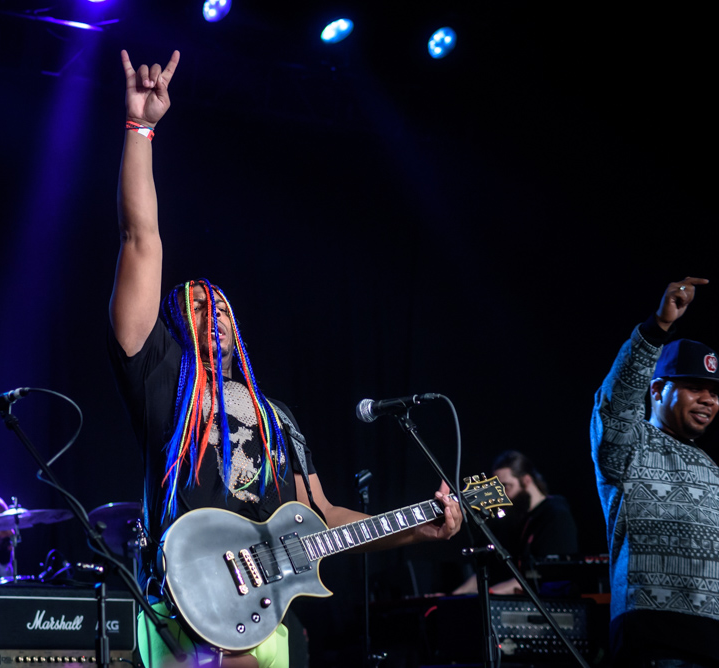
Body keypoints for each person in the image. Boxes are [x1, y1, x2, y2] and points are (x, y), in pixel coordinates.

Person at [107, 49, 464, 668]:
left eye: (221, 309)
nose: (212, 316)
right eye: (194, 308)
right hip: (197, 611)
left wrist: (418, 527)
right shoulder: (163, 378)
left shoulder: (277, 415)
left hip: (273, 621)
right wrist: (142, 129)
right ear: (169, 327)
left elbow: (320, 517)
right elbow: (142, 240)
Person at [592, 277, 719, 668]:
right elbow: (617, 399)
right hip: (652, 640)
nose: (709, 400)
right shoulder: (630, 444)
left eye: (715, 392)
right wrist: (657, 328)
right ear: (658, 390)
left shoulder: (712, 468)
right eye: (695, 387)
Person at [452, 450, 578, 595]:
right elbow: (489, 570)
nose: (501, 495)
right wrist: (452, 597)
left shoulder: (555, 514)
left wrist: (486, 594)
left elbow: (539, 577)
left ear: (526, 481)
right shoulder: (512, 519)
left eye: (506, 486)